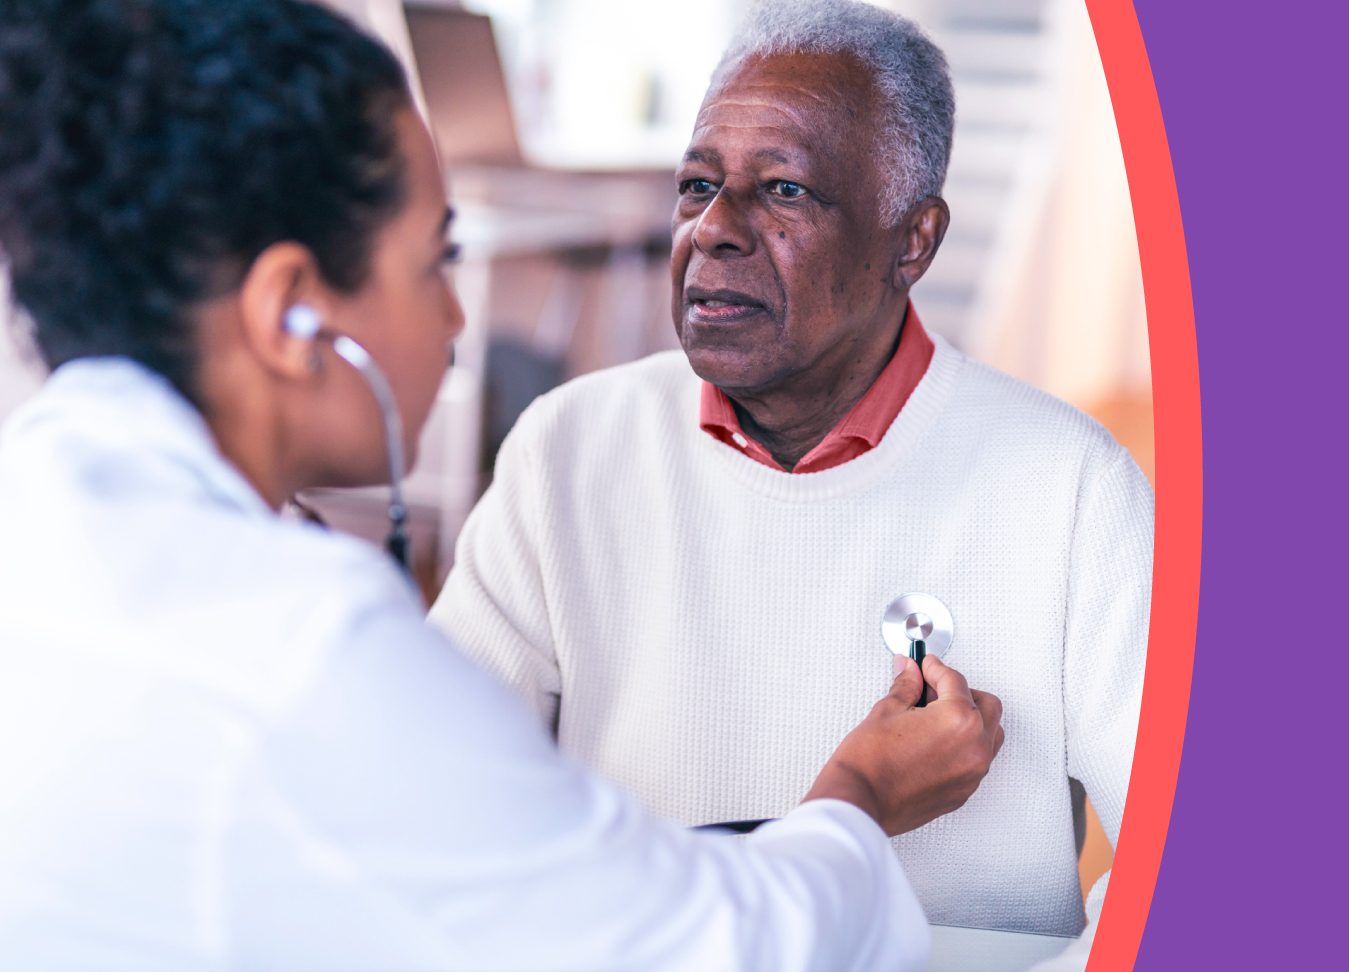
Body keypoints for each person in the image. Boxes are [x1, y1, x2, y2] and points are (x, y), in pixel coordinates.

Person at [0, 2, 1007, 969]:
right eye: (436, 260)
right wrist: (860, 792)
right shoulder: (302, 647)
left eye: (782, 189)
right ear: (293, 315)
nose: (455, 318)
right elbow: (702, 950)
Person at [429, 0, 1153, 965]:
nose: (714, 230)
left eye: (784, 191)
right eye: (698, 185)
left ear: (913, 241)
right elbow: (434, 807)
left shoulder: (1073, 489)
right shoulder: (567, 450)